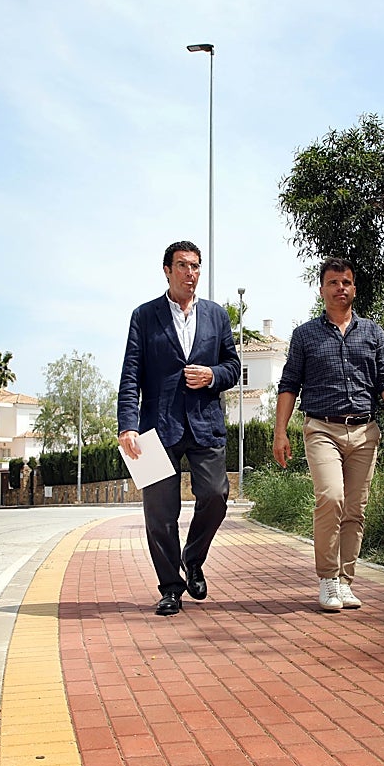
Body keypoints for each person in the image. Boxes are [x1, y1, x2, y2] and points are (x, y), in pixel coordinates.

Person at [273, 257, 384, 611]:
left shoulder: (373, 333)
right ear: (322, 289)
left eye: (346, 282)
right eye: (333, 282)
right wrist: (280, 432)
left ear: (354, 288)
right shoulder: (305, 335)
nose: (341, 288)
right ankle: (327, 579)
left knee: (355, 509)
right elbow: (289, 385)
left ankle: (345, 581)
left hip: (365, 432)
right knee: (331, 498)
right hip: (322, 427)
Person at [118, 240, 241, 616]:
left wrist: (212, 375)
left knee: (216, 495)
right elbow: (130, 374)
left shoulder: (217, 316)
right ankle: (171, 587)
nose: (191, 273)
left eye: (196, 266)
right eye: (184, 265)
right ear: (167, 270)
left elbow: (233, 367)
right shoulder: (144, 316)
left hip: (206, 423)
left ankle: (193, 557)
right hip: (155, 427)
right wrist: (127, 426)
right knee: (159, 513)